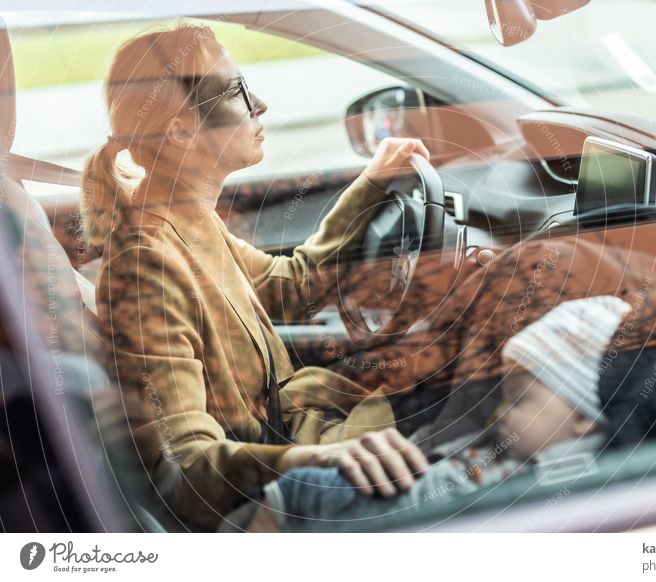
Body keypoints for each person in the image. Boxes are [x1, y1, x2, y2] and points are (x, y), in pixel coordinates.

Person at [83, 23, 431, 530]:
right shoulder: (145, 270)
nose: (259, 104)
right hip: (280, 498)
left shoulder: (188, 219)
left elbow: (289, 285)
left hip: (312, 435)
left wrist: (371, 183)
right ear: (180, 129)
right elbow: (183, 465)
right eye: (238, 91)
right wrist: (314, 464)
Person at [219, 295, 632, 532]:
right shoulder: (527, 448)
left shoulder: (539, 483)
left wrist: (298, 486)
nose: (502, 411)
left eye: (520, 399)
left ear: (584, 418)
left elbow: (425, 499)